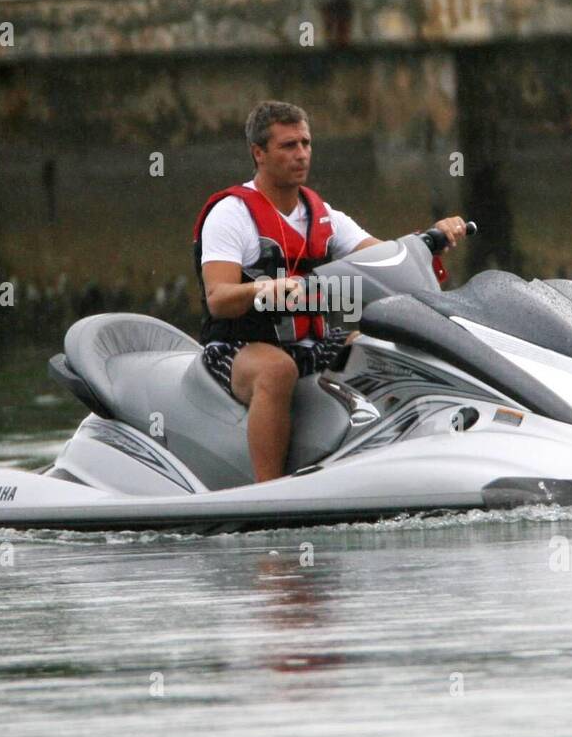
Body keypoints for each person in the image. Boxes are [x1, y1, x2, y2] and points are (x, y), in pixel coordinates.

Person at [193, 100, 467, 481]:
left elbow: (386, 259)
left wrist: (429, 241)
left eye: (306, 143)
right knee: (277, 370)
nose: (301, 154)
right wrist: (267, 288)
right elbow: (219, 299)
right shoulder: (232, 214)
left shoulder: (322, 214)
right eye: (288, 146)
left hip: (310, 343)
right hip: (239, 348)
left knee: (379, 349)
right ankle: (270, 492)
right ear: (259, 153)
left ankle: (410, 461)